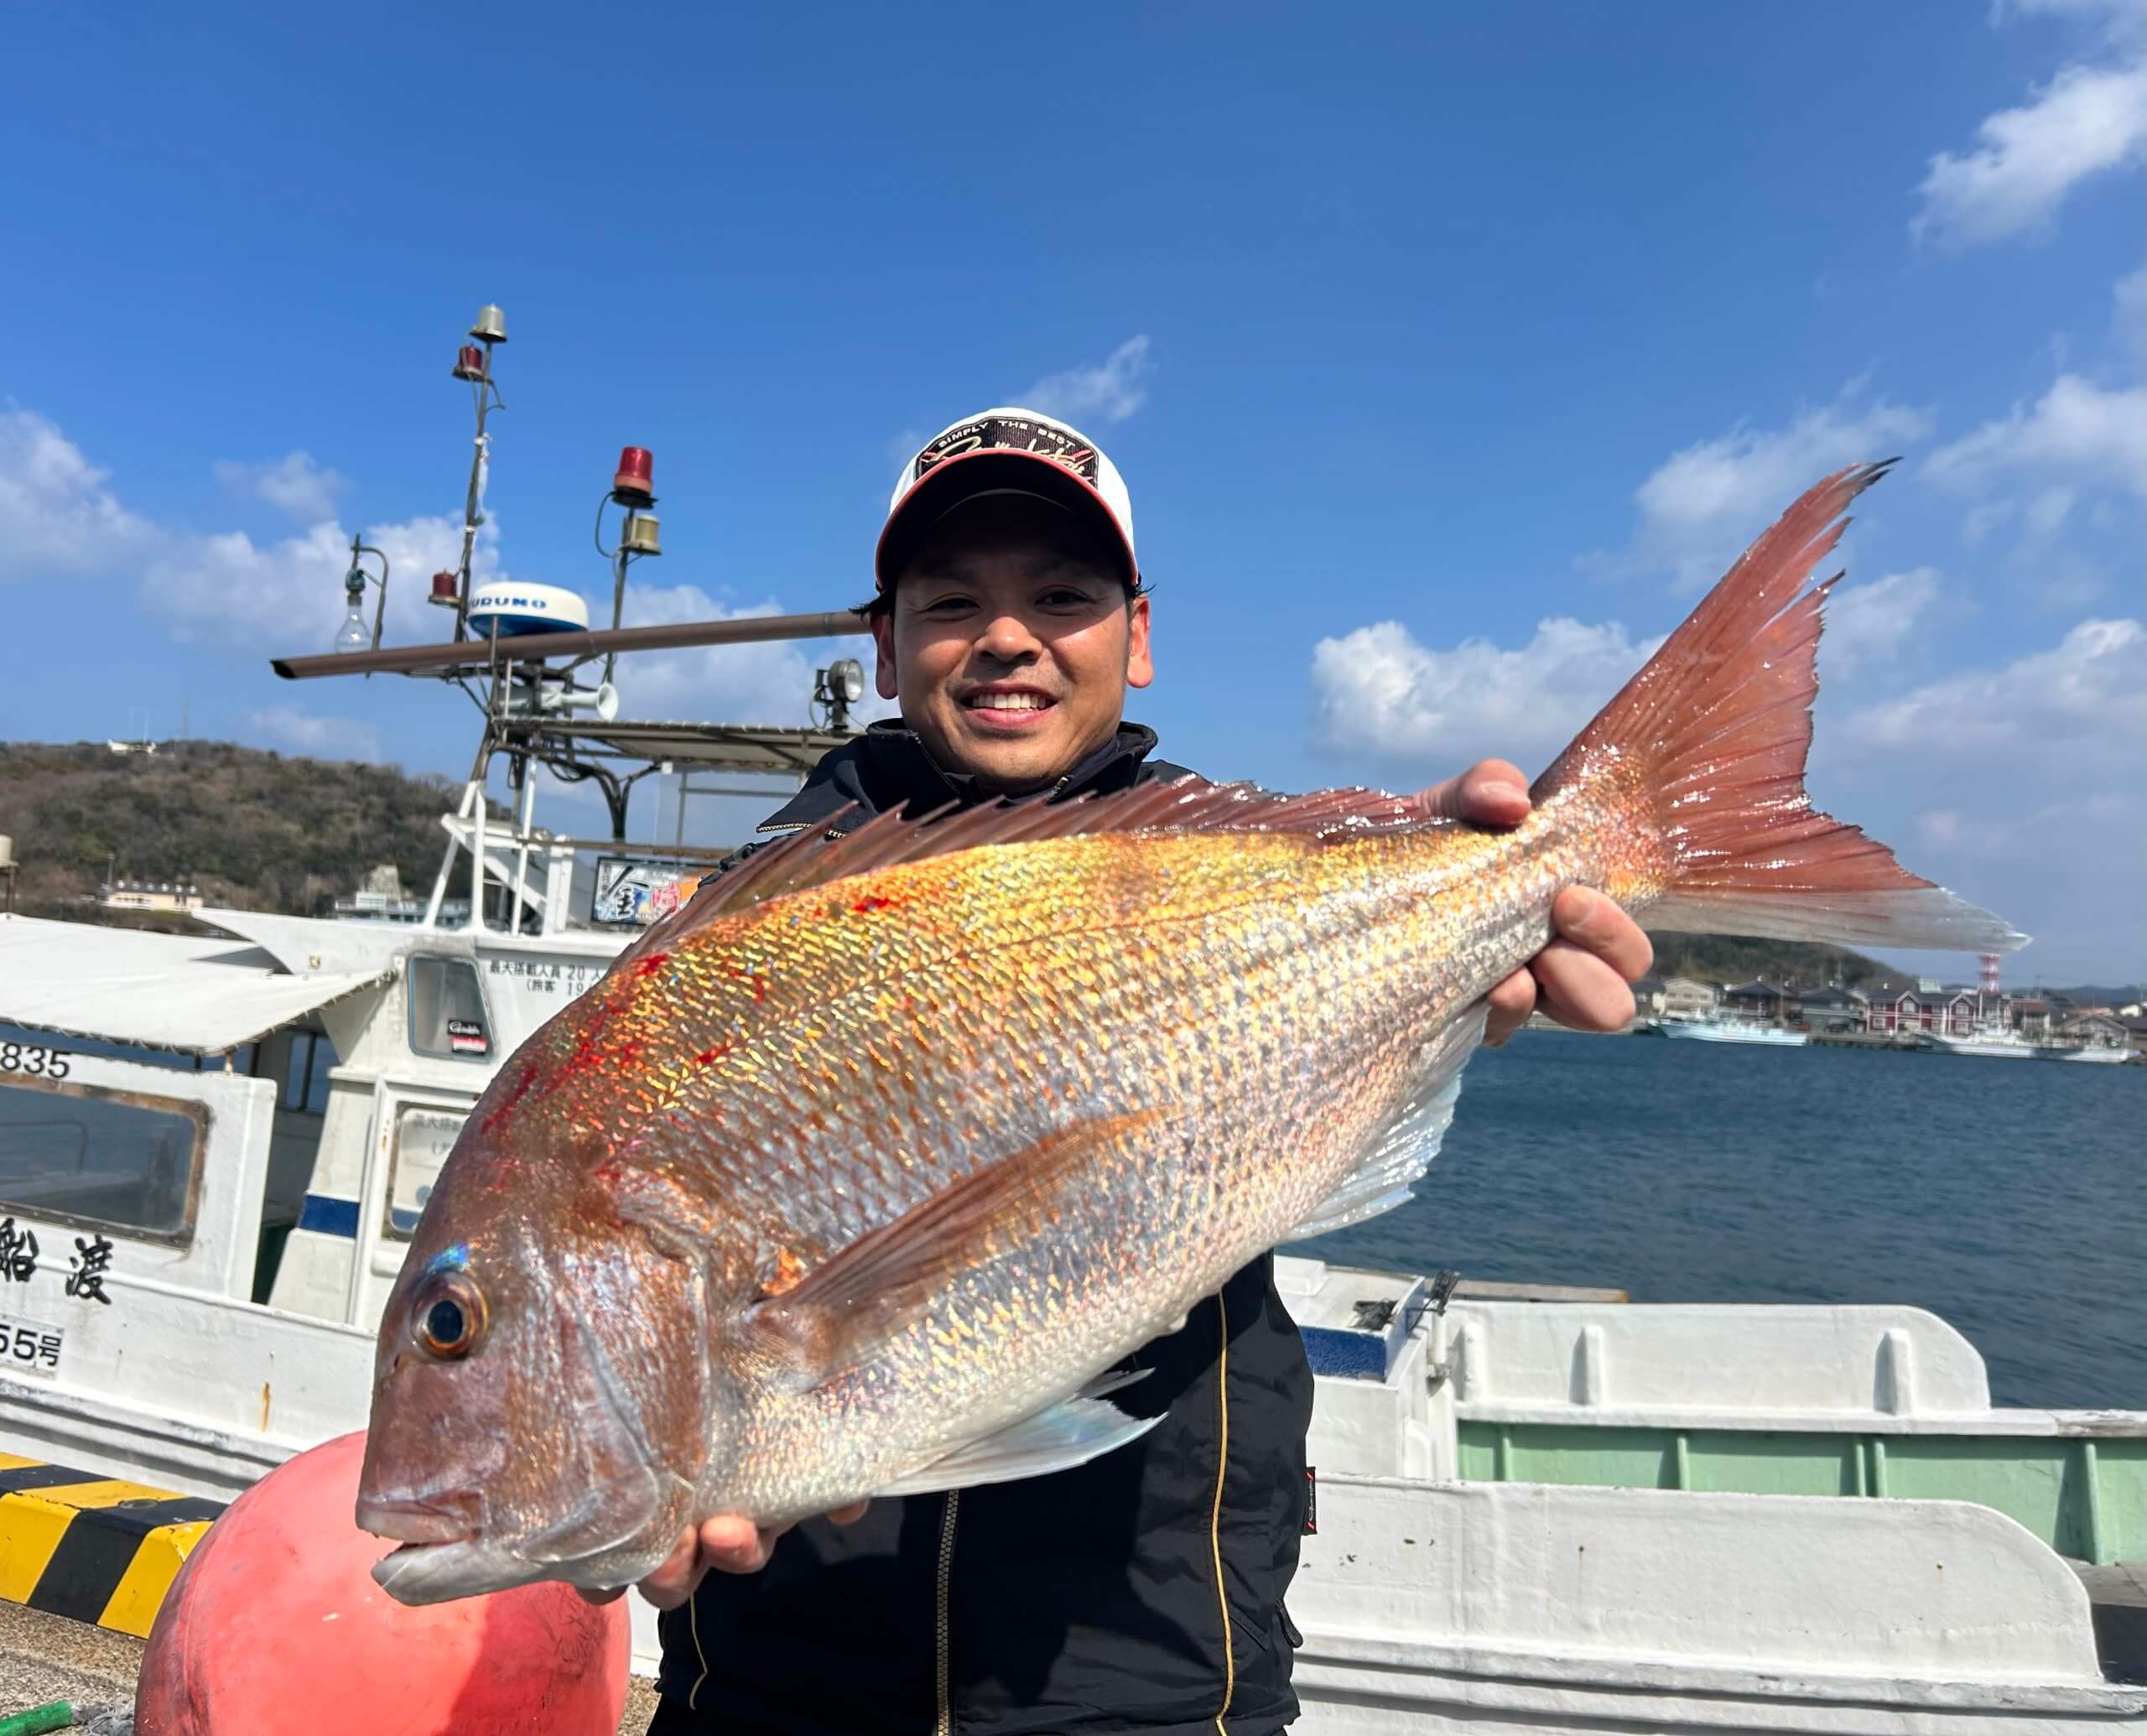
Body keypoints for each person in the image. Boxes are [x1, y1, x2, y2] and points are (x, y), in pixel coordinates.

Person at [616, 408, 1651, 1735]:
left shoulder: (1230, 882)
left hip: (1148, 1655)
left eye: (1063, 595)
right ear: (883, 646)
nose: (1007, 635)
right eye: (949, 600)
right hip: (785, 1677)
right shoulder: (728, 934)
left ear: (1138, 637)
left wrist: (1470, 932)